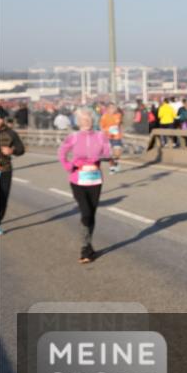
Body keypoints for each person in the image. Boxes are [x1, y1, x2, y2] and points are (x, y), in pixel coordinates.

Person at [58, 108, 112, 263]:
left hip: (95, 179)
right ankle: (84, 248)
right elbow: (61, 154)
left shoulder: (101, 136)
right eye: (83, 119)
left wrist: (100, 156)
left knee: (91, 214)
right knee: (86, 212)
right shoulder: (73, 137)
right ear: (78, 121)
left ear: (92, 120)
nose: (86, 121)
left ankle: (88, 247)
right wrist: (69, 166)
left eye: (88, 118)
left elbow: (107, 154)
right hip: (78, 179)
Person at [0, 107, 26, 235]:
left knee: (3, 197)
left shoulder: (11, 133)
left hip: (5, 170)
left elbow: (21, 149)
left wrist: (12, 151)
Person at [99, 103, 124, 173]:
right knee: (109, 154)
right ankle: (112, 167)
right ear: (108, 109)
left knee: (117, 153)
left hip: (117, 136)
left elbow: (120, 125)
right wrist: (104, 133)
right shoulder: (104, 117)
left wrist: (122, 133)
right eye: (111, 108)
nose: (113, 109)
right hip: (107, 137)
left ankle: (116, 163)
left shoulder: (119, 115)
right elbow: (101, 127)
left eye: (114, 107)